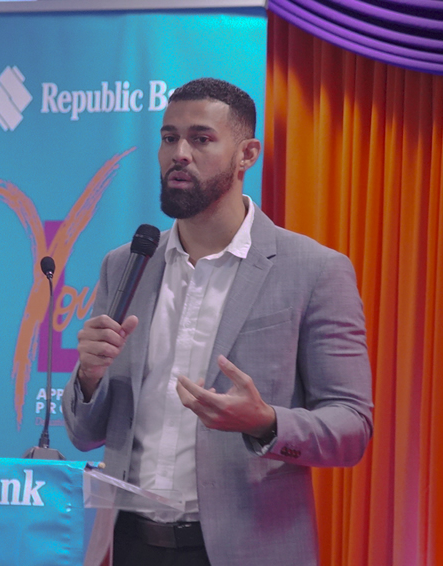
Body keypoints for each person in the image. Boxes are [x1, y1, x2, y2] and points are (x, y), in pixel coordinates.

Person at [63, 78, 373, 566]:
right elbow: (84, 434)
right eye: (169, 138)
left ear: (247, 154)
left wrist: (266, 423)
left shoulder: (314, 270)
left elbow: (351, 427)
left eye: (201, 139)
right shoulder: (125, 264)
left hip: (247, 549)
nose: (179, 154)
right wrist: (89, 376)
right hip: (129, 544)